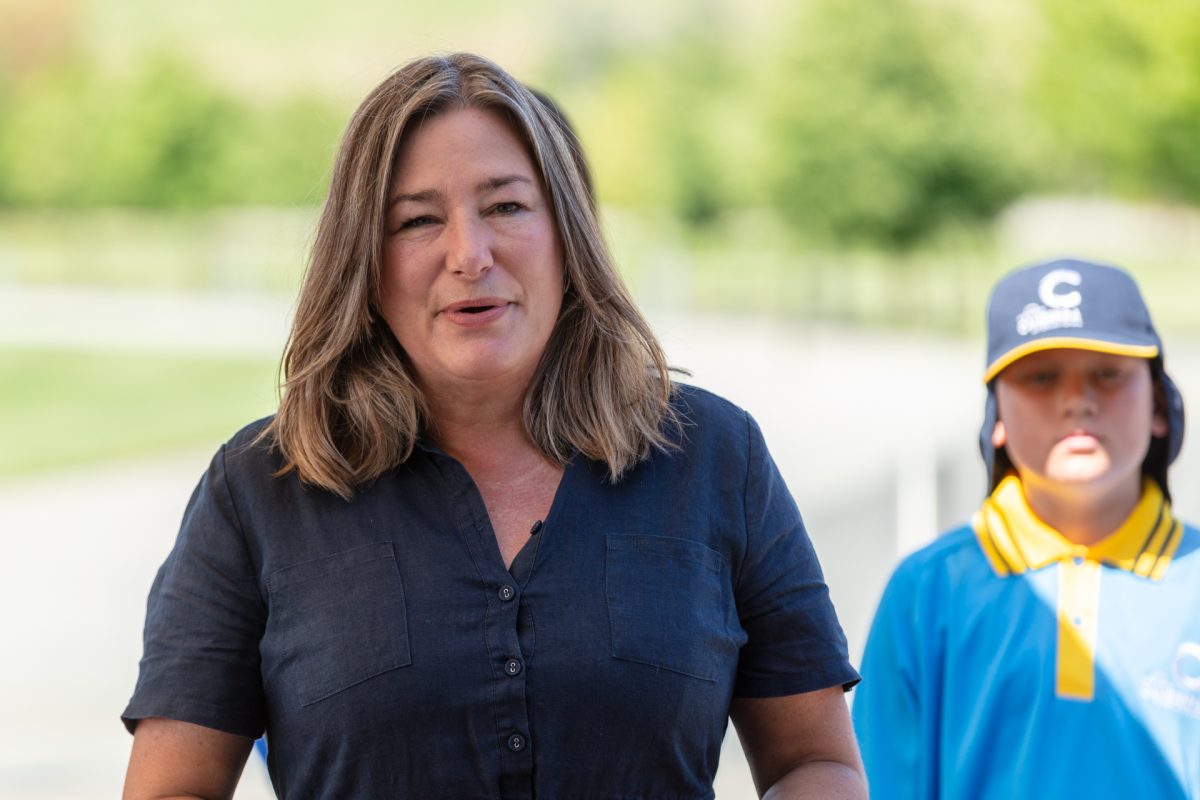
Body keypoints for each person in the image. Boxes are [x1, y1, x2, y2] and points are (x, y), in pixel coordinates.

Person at [121, 53, 866, 799]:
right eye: (417, 220)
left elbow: (817, 764)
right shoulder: (259, 490)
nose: (469, 255)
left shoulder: (714, 458)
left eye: (506, 207)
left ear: (567, 235)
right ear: (363, 263)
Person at [852, 258, 1199, 798]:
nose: (1077, 401)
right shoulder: (927, 591)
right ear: (996, 419)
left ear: (1160, 404)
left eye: (1108, 374)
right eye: (1041, 377)